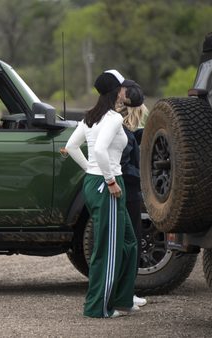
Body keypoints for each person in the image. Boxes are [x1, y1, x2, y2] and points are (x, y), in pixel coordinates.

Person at [64, 70, 139, 318]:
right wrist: (107, 180)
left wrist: (90, 169)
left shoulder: (90, 117)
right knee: (107, 249)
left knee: (128, 242)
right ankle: (98, 308)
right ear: (117, 91)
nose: (126, 91)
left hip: (96, 181)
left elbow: (72, 147)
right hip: (108, 184)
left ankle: (123, 299)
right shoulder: (113, 118)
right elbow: (101, 150)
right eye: (122, 87)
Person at [119, 82, 149, 308]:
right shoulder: (124, 134)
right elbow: (124, 165)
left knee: (130, 242)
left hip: (128, 191)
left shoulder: (127, 133)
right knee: (132, 242)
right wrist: (142, 176)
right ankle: (126, 292)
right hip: (128, 192)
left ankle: (127, 290)